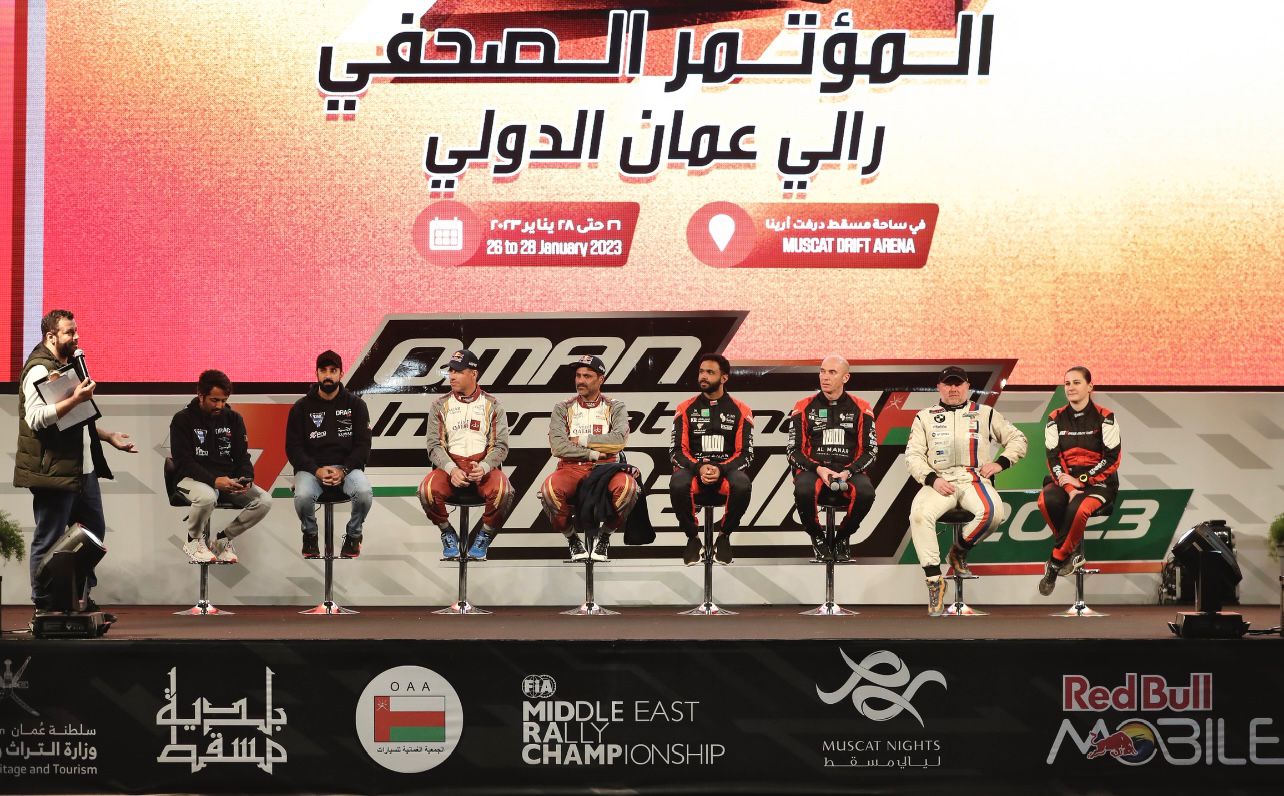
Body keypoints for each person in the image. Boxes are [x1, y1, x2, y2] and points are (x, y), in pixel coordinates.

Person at [14, 309, 138, 618]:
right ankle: (44, 602)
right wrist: (75, 399)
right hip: (54, 472)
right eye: (70, 332)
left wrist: (108, 436)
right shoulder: (39, 369)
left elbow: (74, 419)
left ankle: (77, 598)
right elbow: (36, 418)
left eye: (76, 330)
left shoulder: (65, 366)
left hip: (83, 471)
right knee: (49, 538)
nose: (77, 336)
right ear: (51, 336)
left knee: (92, 535)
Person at [905, 366, 1027, 616]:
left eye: (958, 384)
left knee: (994, 513)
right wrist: (931, 479)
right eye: (947, 384)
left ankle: (958, 551)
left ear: (967, 386)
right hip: (939, 480)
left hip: (974, 478)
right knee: (918, 515)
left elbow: (1018, 439)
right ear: (939, 387)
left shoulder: (985, 413)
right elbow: (913, 455)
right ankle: (934, 581)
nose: (953, 389)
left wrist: (1000, 463)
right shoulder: (924, 416)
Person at [538, 354, 639, 562]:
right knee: (548, 491)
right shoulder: (563, 407)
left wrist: (580, 439)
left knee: (629, 488)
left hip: (607, 468)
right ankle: (572, 538)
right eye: (578, 375)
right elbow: (558, 447)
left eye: (587, 376)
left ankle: (605, 536)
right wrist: (593, 452)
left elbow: (618, 441)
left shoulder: (615, 406)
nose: (580, 381)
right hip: (570, 468)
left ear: (601, 379)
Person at [419, 349, 514, 561]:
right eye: (451, 371)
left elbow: (501, 446)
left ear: (473, 374)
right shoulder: (439, 405)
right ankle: (446, 531)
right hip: (450, 468)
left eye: (459, 371)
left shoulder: (493, 404)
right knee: (426, 491)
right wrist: (451, 469)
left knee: (504, 491)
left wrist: (485, 466)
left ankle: (485, 534)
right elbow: (433, 445)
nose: (452, 376)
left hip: (483, 467)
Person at [169, 369, 272, 564]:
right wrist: (214, 481)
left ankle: (223, 540)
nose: (220, 405)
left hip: (225, 481)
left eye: (224, 400)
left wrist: (246, 478)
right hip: (190, 479)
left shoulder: (234, 419)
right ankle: (193, 540)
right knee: (208, 496)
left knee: (264, 500)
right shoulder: (182, 419)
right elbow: (184, 462)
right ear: (200, 395)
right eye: (214, 400)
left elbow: (242, 457)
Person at [1036, 366, 1121, 596]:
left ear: (1090, 386)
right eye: (1067, 383)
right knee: (1045, 500)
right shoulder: (1055, 418)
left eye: (1076, 382)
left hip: (1100, 482)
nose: (1071, 387)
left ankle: (1055, 563)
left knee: (1079, 508)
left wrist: (1082, 480)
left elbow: (1112, 459)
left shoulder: (1106, 417)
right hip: (1065, 480)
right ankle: (1070, 552)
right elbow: (1053, 458)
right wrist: (1069, 486)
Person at [786, 355, 877, 564]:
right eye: (822, 371)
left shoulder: (862, 407)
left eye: (832, 372)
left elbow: (870, 451)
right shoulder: (803, 406)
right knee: (803, 489)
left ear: (845, 378)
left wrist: (848, 471)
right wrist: (818, 469)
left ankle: (843, 537)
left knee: (866, 493)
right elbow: (792, 451)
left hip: (848, 471)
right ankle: (818, 538)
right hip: (814, 470)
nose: (824, 377)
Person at [285, 350, 373, 559]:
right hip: (311, 470)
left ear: (341, 373)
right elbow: (293, 448)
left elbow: (363, 446)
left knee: (364, 493)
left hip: (347, 469)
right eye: (323, 370)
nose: (328, 375)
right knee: (302, 496)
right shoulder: (300, 407)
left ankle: (353, 536)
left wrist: (343, 470)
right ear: (316, 373)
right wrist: (316, 470)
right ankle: (310, 534)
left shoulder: (356, 405)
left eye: (333, 371)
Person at [669, 353, 754, 566]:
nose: (703, 376)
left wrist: (721, 469)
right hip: (694, 471)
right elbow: (677, 451)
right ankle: (692, 538)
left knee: (742, 484)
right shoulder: (684, 408)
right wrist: (699, 467)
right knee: (677, 483)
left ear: (724, 378)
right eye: (701, 371)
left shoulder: (742, 410)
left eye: (710, 372)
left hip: (725, 472)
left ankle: (724, 536)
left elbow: (746, 453)